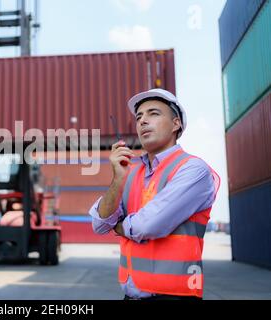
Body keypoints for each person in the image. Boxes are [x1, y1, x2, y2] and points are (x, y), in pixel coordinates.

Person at [88, 88, 220, 300]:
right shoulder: (129, 171)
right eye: (139, 116)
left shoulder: (192, 169)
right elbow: (99, 224)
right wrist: (117, 179)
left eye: (153, 113)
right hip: (130, 295)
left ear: (176, 124)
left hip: (175, 295)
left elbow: (147, 226)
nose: (142, 121)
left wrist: (119, 224)